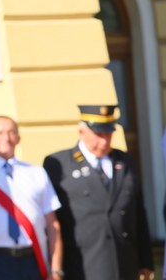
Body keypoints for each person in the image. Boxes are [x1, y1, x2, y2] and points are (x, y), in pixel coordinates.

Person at [43, 105, 154, 280]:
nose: (104, 141)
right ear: (81, 132)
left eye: (109, 134)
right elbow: (51, 219)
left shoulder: (125, 161)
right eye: (98, 135)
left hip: (124, 264)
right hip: (83, 265)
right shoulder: (59, 163)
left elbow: (138, 213)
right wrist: (55, 267)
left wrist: (146, 261)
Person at [0, 116, 63, 280]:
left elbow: (52, 224)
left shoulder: (37, 173)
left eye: (11, 132)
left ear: (18, 138)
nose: (6, 138)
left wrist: (56, 268)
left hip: (33, 259)